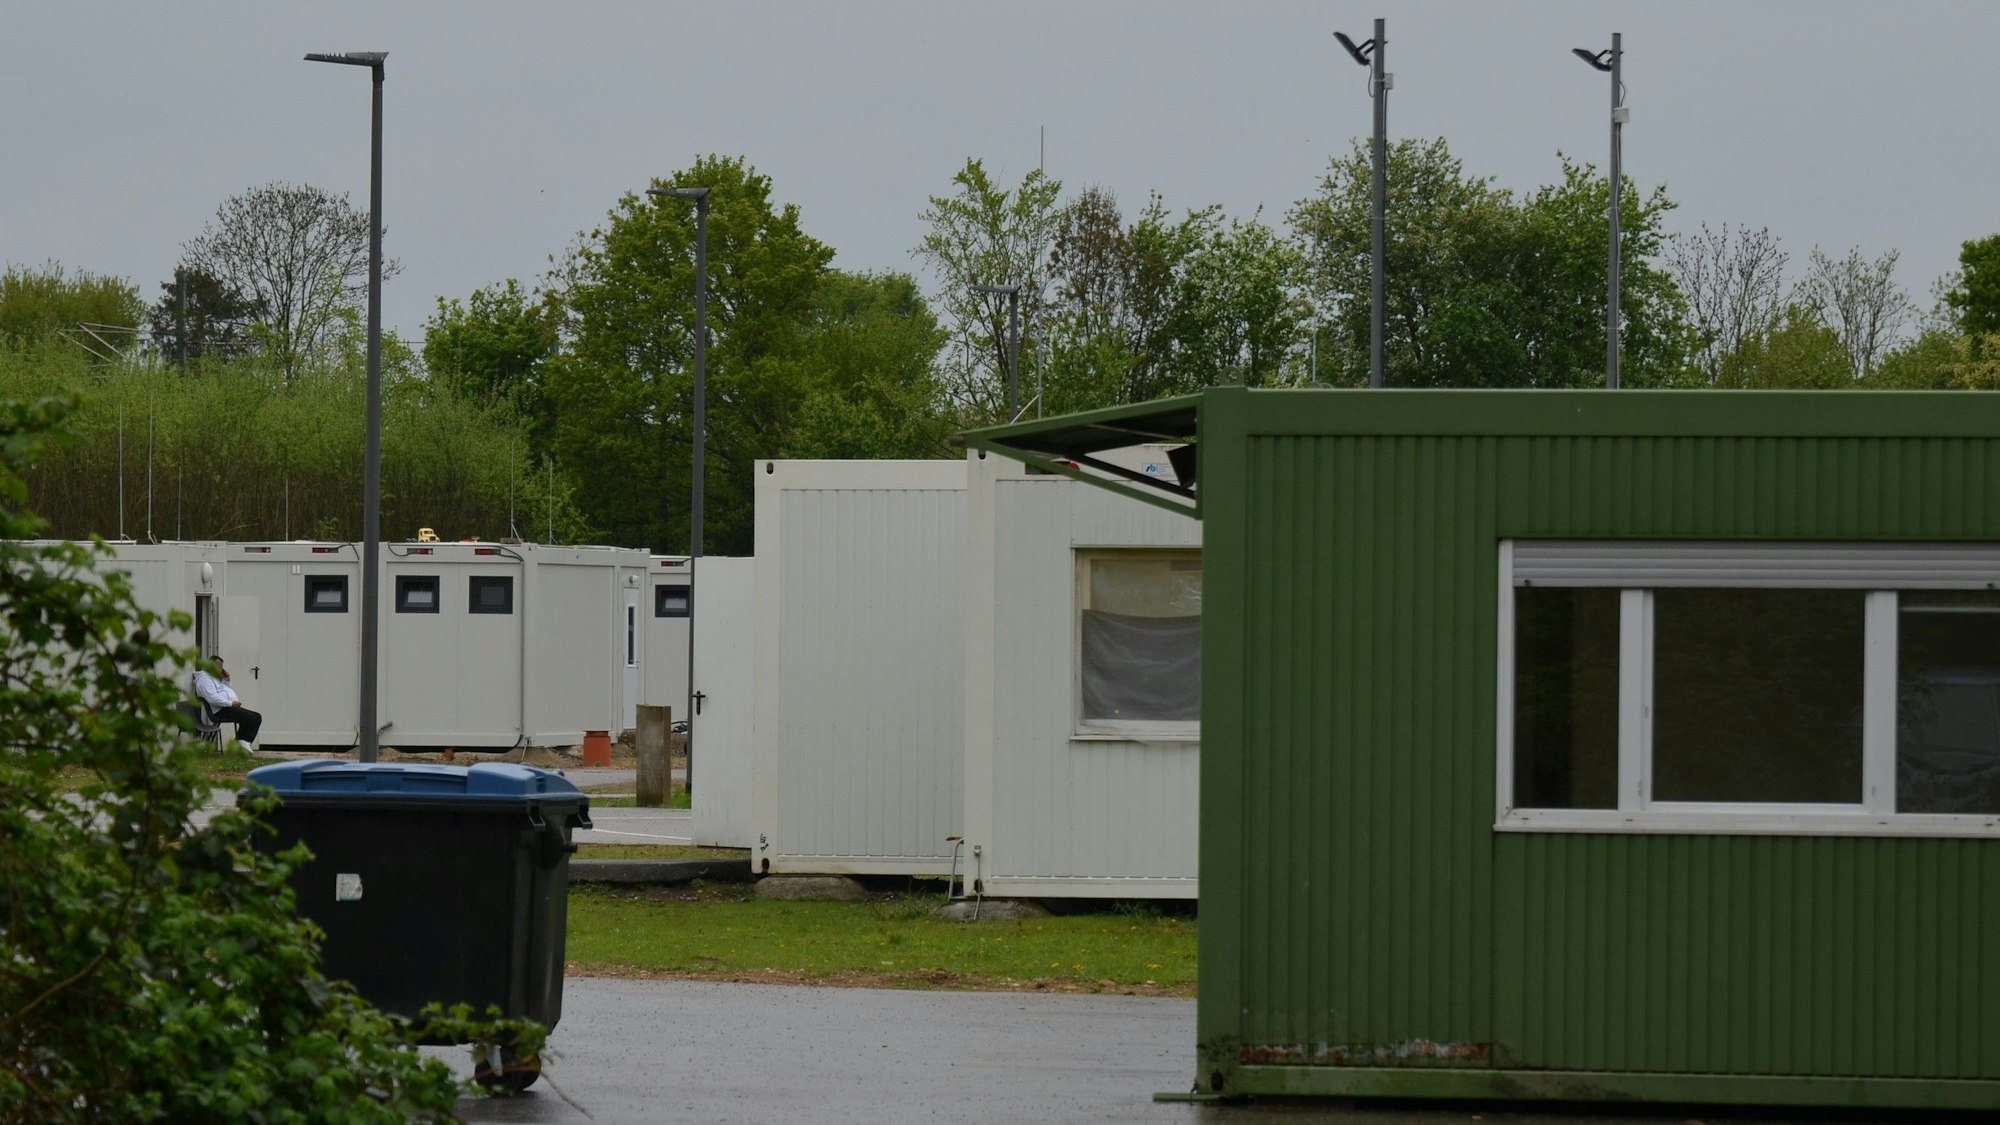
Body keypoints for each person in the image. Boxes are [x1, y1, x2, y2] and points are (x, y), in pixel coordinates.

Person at [192, 655, 261, 749]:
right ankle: (241, 743)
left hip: (227, 708)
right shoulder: (205, 680)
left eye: (221, 666)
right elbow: (212, 699)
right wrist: (230, 703)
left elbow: (226, 691)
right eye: (217, 666)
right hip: (220, 711)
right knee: (251, 718)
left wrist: (227, 681)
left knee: (256, 716)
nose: (220, 669)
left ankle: (242, 742)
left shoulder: (214, 678)